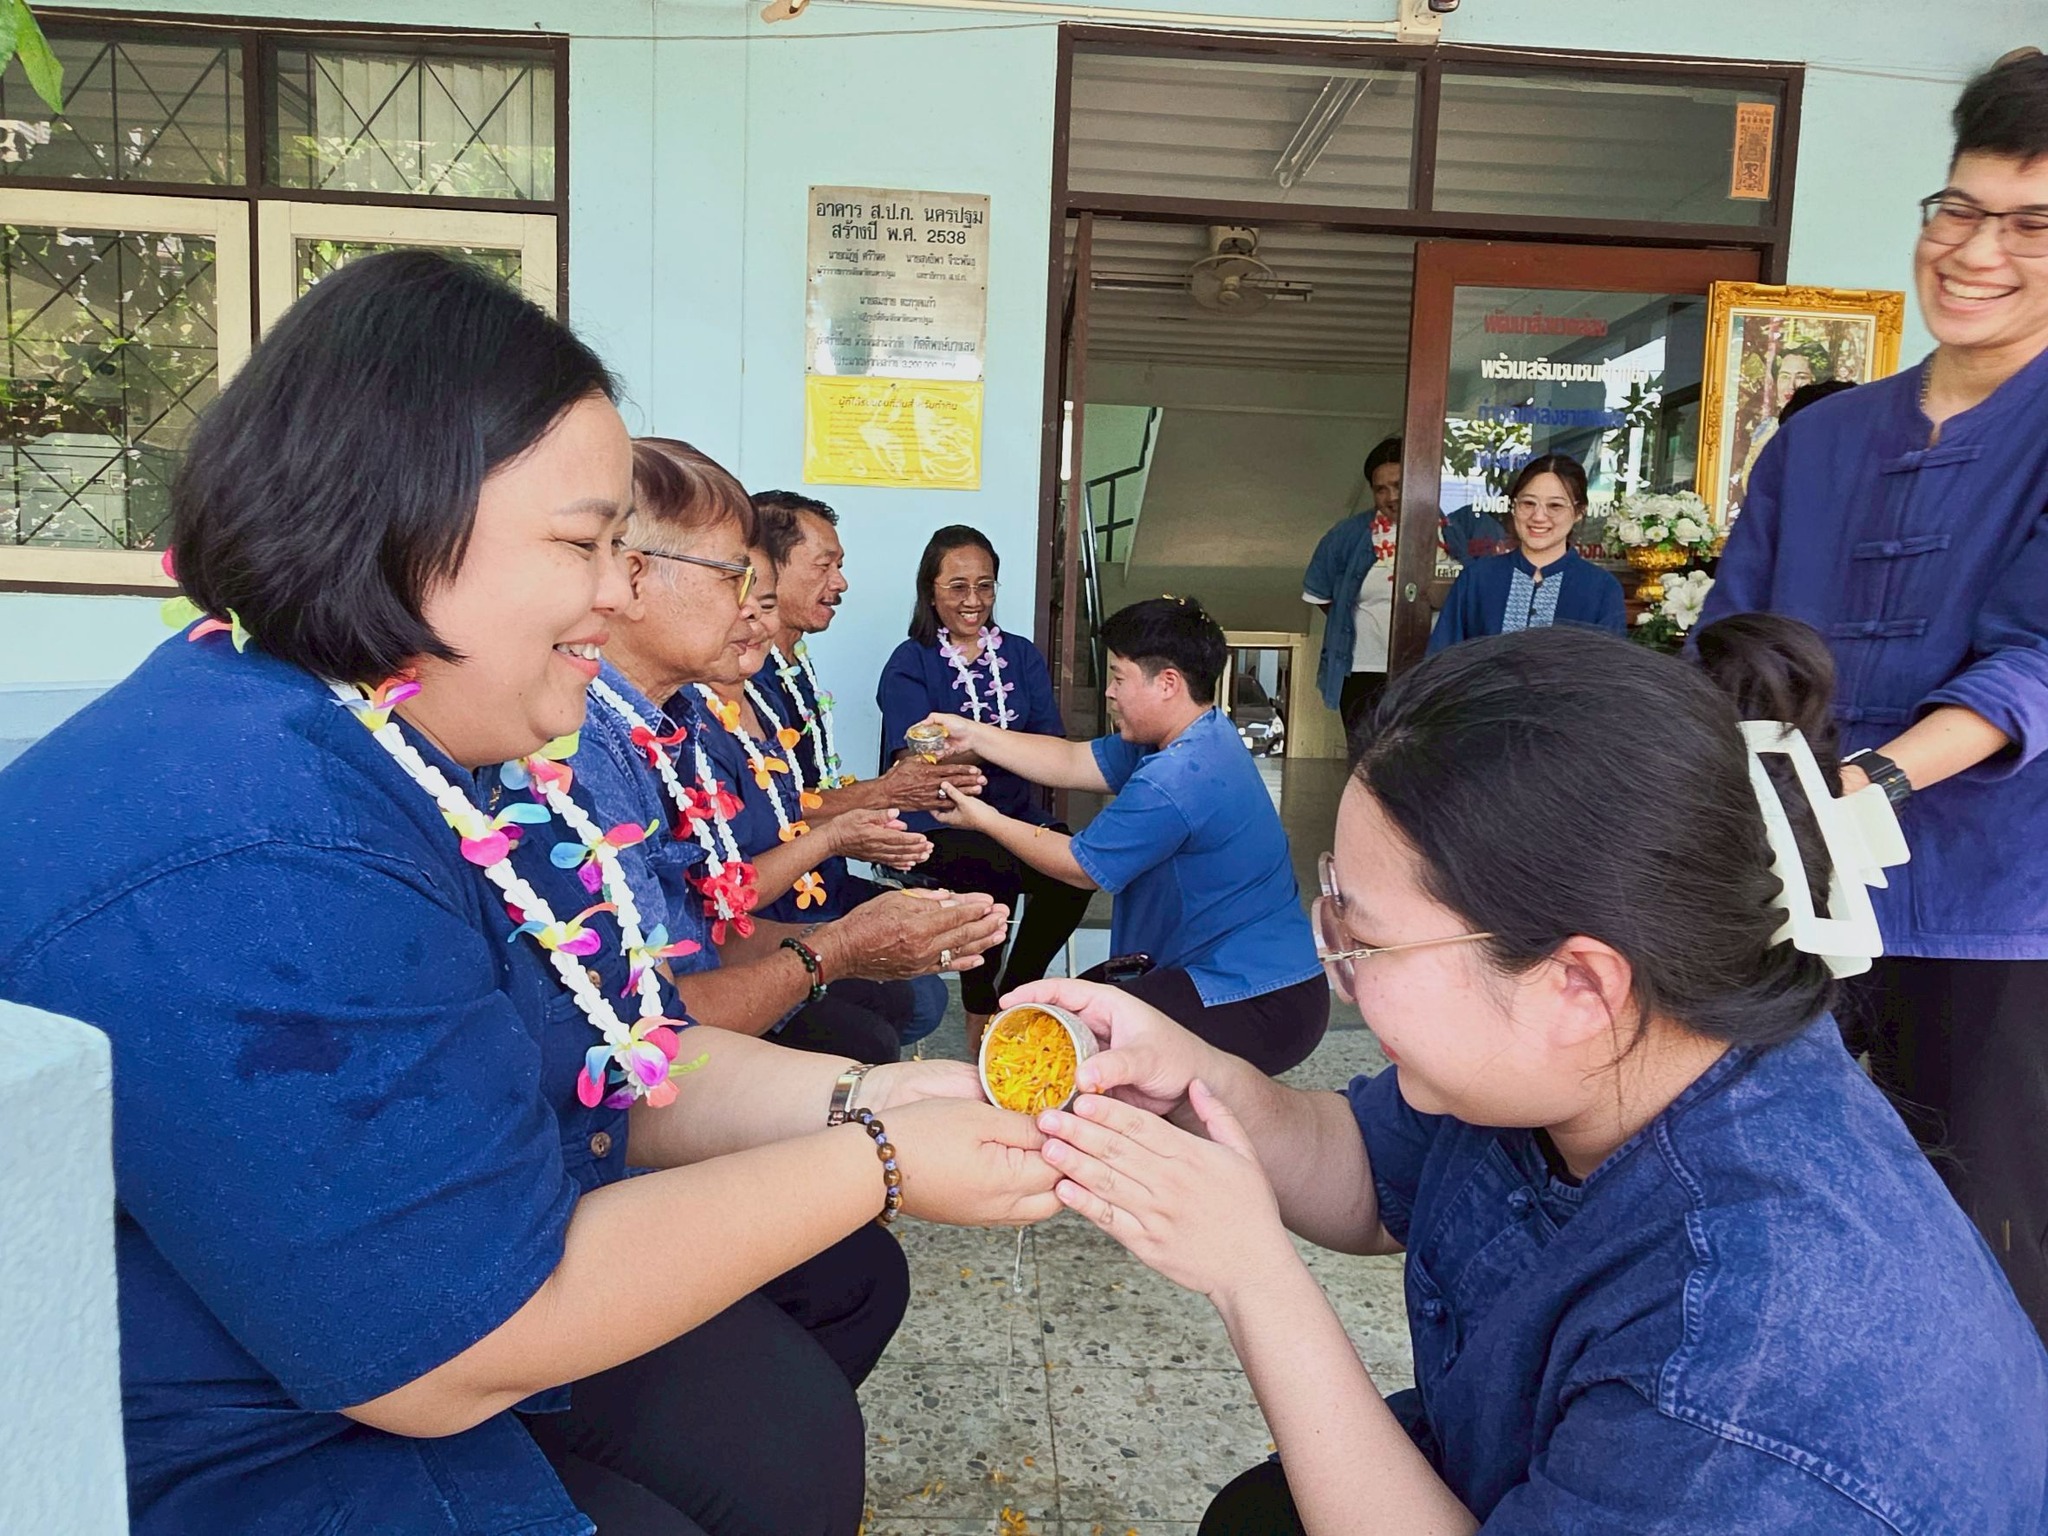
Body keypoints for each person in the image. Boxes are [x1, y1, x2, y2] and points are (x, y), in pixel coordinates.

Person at [0, 252, 1062, 1536]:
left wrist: (885, 1096)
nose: (614, 593)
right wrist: (883, 1158)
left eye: (625, 548)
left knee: (775, 1431)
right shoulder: (251, 837)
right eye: (583, 544)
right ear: (390, 524)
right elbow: (449, 1344)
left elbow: (613, 1060)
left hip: (415, 1300)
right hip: (259, 1427)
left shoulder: (420, 741)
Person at [1010, 625, 2048, 1536]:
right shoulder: (1596, 1062)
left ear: (1578, 982)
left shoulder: (1747, 1361)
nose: (1337, 976)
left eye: (1362, 941)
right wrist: (1198, 1078)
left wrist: (1250, 1276)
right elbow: (1366, 1173)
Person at [1700, 49, 2048, 1338]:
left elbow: (2034, 663)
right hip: (1788, 898)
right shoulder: (1819, 440)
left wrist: (1870, 780)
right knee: (1787, 1210)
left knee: (1989, 1241)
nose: (1976, 251)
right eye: (1955, 210)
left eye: (2030, 225)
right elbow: (1729, 641)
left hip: (1994, 920)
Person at [574, 437, 1007, 1063]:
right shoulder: (582, 744)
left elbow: (708, 925)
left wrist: (847, 937)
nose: (755, 611)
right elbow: (647, 1029)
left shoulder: (678, 717)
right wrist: (837, 946)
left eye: (764, 590)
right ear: (634, 578)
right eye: (737, 577)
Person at [924, 597, 1328, 1075]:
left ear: (1168, 683)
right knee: (1070, 1017)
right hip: (1251, 980)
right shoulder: (1196, 733)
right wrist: (973, 735)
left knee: (1057, 1052)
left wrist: (983, 818)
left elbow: (1079, 868)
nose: (1109, 693)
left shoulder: (1178, 777)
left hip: (1257, 997)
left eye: (1118, 677)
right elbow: (1071, 761)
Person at [876, 525, 1094, 1050]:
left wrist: (973, 743)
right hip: (938, 823)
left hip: (1018, 817)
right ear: (931, 590)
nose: (973, 600)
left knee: (1076, 870)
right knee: (984, 866)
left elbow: (1049, 744)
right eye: (957, 586)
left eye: (985, 585)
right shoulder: (912, 661)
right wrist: (1005, 745)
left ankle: (1013, 993)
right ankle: (979, 1011)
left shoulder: (1021, 656)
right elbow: (917, 755)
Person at [1426, 455, 1625, 655]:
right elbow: (1441, 663)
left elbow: (1609, 678)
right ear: (1513, 506)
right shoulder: (1477, 579)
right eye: (1528, 503)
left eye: (1554, 506)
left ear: (1579, 512)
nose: (1538, 517)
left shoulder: (1602, 590)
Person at [1303, 435, 1402, 737]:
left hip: (1425, 668)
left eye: (1398, 485)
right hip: (1363, 670)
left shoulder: (1449, 532)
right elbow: (1319, 593)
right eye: (1380, 489)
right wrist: (1346, 620)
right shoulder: (1348, 535)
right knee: (1366, 760)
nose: (1391, 496)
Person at [1731, 342, 1828, 510]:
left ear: (1816, 381)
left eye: (1801, 377)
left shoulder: (1826, 429)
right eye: (1784, 376)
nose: (1792, 385)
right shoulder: (1766, 428)